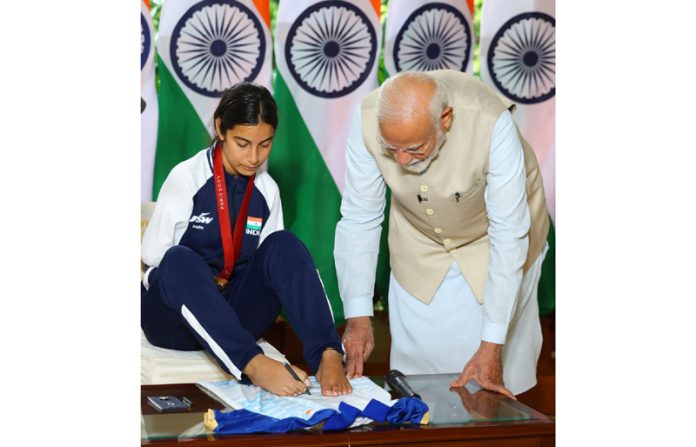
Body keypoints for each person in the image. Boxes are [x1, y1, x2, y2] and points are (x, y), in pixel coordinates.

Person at [334, 70, 549, 398]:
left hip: (493, 239)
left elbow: (508, 234)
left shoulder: (492, 123)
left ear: (445, 118)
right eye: (392, 150)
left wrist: (491, 346)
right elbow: (359, 218)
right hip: (418, 240)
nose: (403, 161)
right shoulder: (365, 119)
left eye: (416, 148)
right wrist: (358, 315)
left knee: (492, 382)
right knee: (417, 383)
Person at [141, 83, 351, 397]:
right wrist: (204, 284)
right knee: (177, 259)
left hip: (232, 315)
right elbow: (153, 256)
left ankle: (327, 352)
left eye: (264, 145)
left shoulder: (267, 190)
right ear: (220, 129)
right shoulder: (187, 177)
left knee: (284, 244)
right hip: (175, 320)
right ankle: (253, 364)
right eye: (242, 143)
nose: (253, 157)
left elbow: (275, 269)